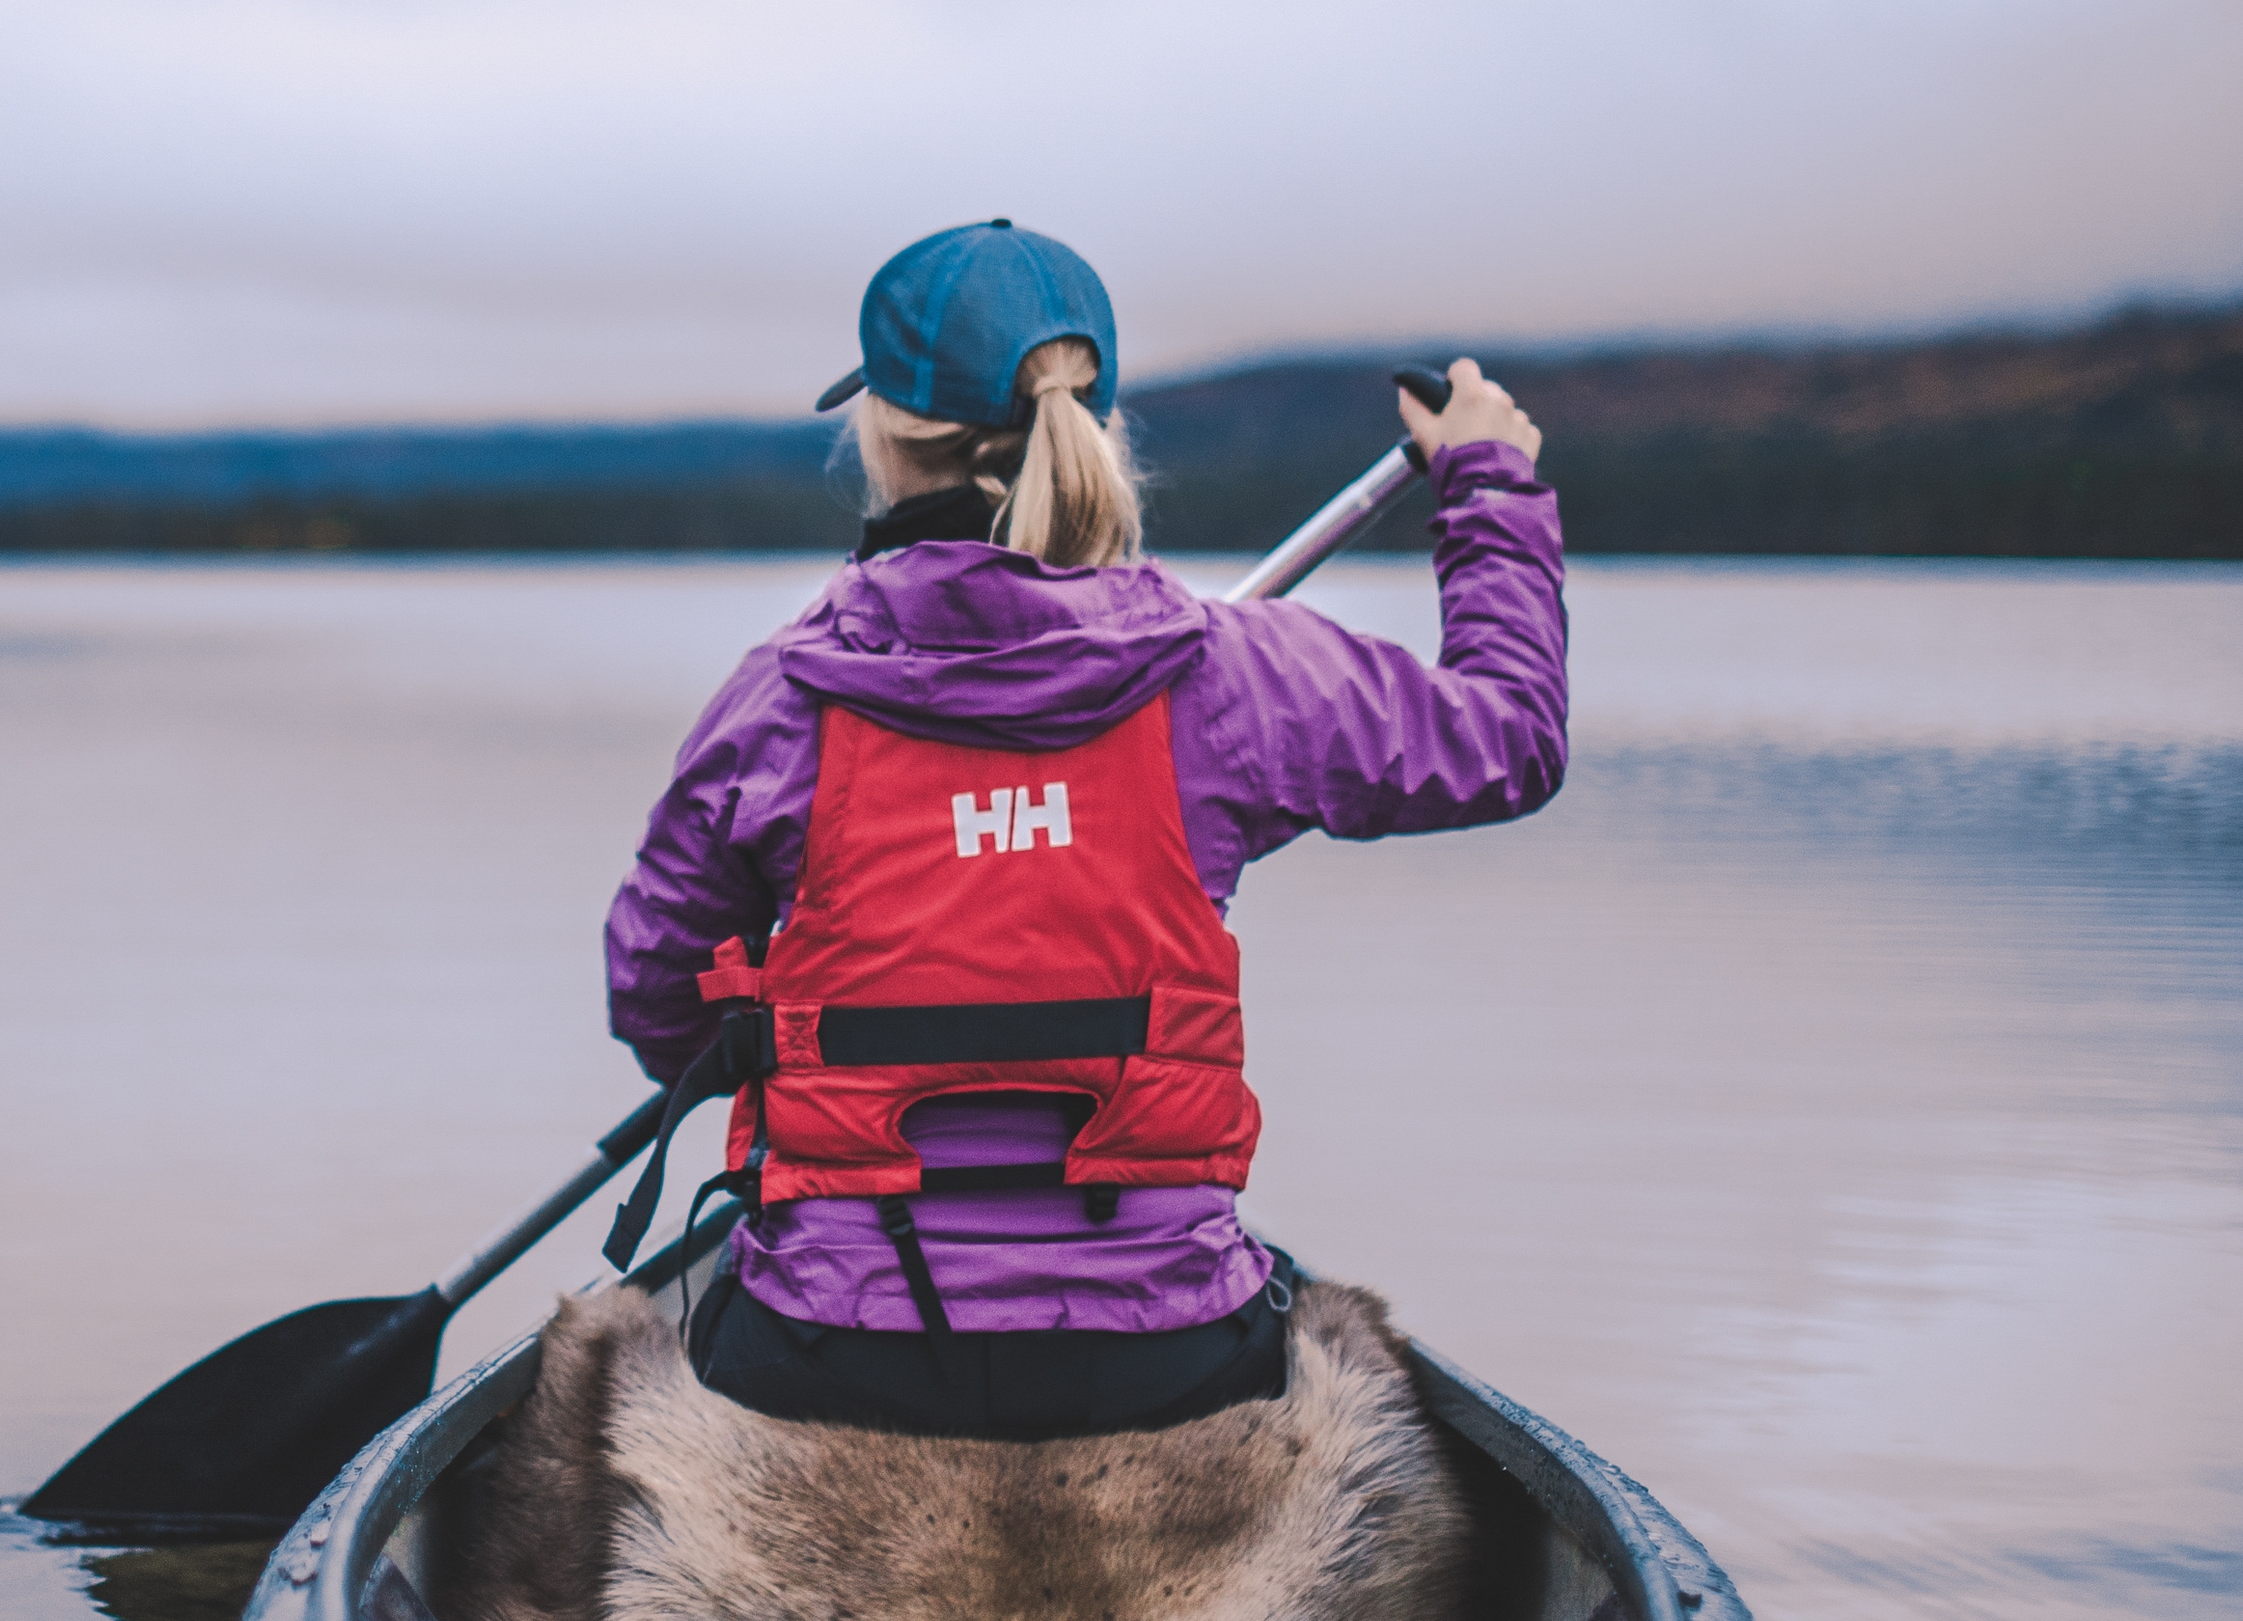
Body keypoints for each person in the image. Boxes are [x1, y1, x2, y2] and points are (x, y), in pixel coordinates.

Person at [601, 218, 1565, 1442]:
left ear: (882, 436)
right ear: (1096, 421)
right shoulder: (1230, 677)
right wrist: (1485, 480)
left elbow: (656, 995)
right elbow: (1510, 736)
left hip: (830, 1349)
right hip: (1163, 1352)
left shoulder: (781, 700)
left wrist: (753, 1042)